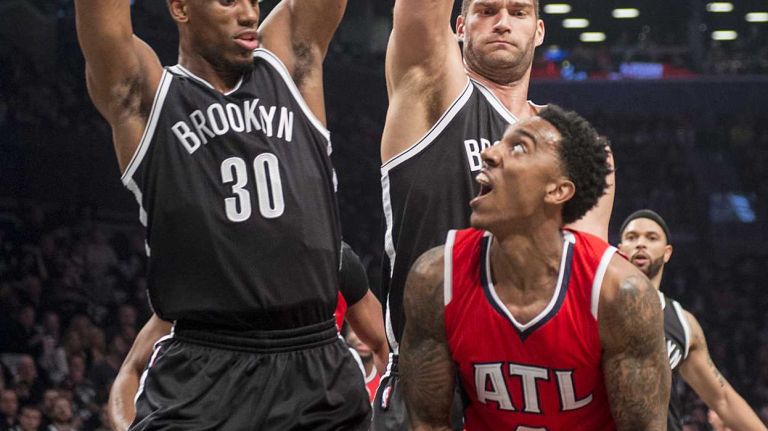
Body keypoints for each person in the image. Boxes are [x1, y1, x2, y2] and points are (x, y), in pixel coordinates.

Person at [74, 0, 370, 429]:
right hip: (203, 367)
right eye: (230, 2)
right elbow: (101, 16)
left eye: (254, 1)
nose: (250, 15)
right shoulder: (146, 94)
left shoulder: (289, 66)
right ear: (180, 8)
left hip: (316, 358)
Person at [376, 1, 615, 426]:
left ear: (539, 31)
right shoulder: (432, 91)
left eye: (518, 12)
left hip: (531, 384)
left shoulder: (578, 150)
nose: (502, 23)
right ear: (460, 26)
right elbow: (418, 12)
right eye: (487, 10)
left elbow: (583, 282)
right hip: (432, 376)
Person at [399, 106, 670, 430]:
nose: (488, 153)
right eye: (498, 142)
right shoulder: (434, 277)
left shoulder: (620, 294)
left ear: (558, 190)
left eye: (518, 147)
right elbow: (429, 424)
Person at [107, 241, 388, 430]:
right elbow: (130, 369)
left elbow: (382, 345)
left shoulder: (335, 261)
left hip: (309, 399)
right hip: (220, 401)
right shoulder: (208, 265)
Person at [618, 209, 767, 431]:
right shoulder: (594, 306)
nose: (640, 244)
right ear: (620, 250)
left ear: (667, 252)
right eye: (632, 237)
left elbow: (722, 399)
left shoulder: (682, 322)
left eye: (651, 238)